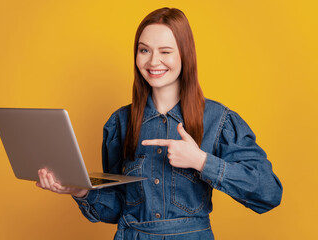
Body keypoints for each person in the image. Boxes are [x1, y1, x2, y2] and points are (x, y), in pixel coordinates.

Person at [36, 7, 283, 239]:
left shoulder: (219, 121)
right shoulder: (120, 123)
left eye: (165, 51)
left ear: (185, 55)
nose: (153, 62)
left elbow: (269, 192)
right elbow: (117, 209)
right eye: (144, 50)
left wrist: (200, 161)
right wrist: (79, 190)